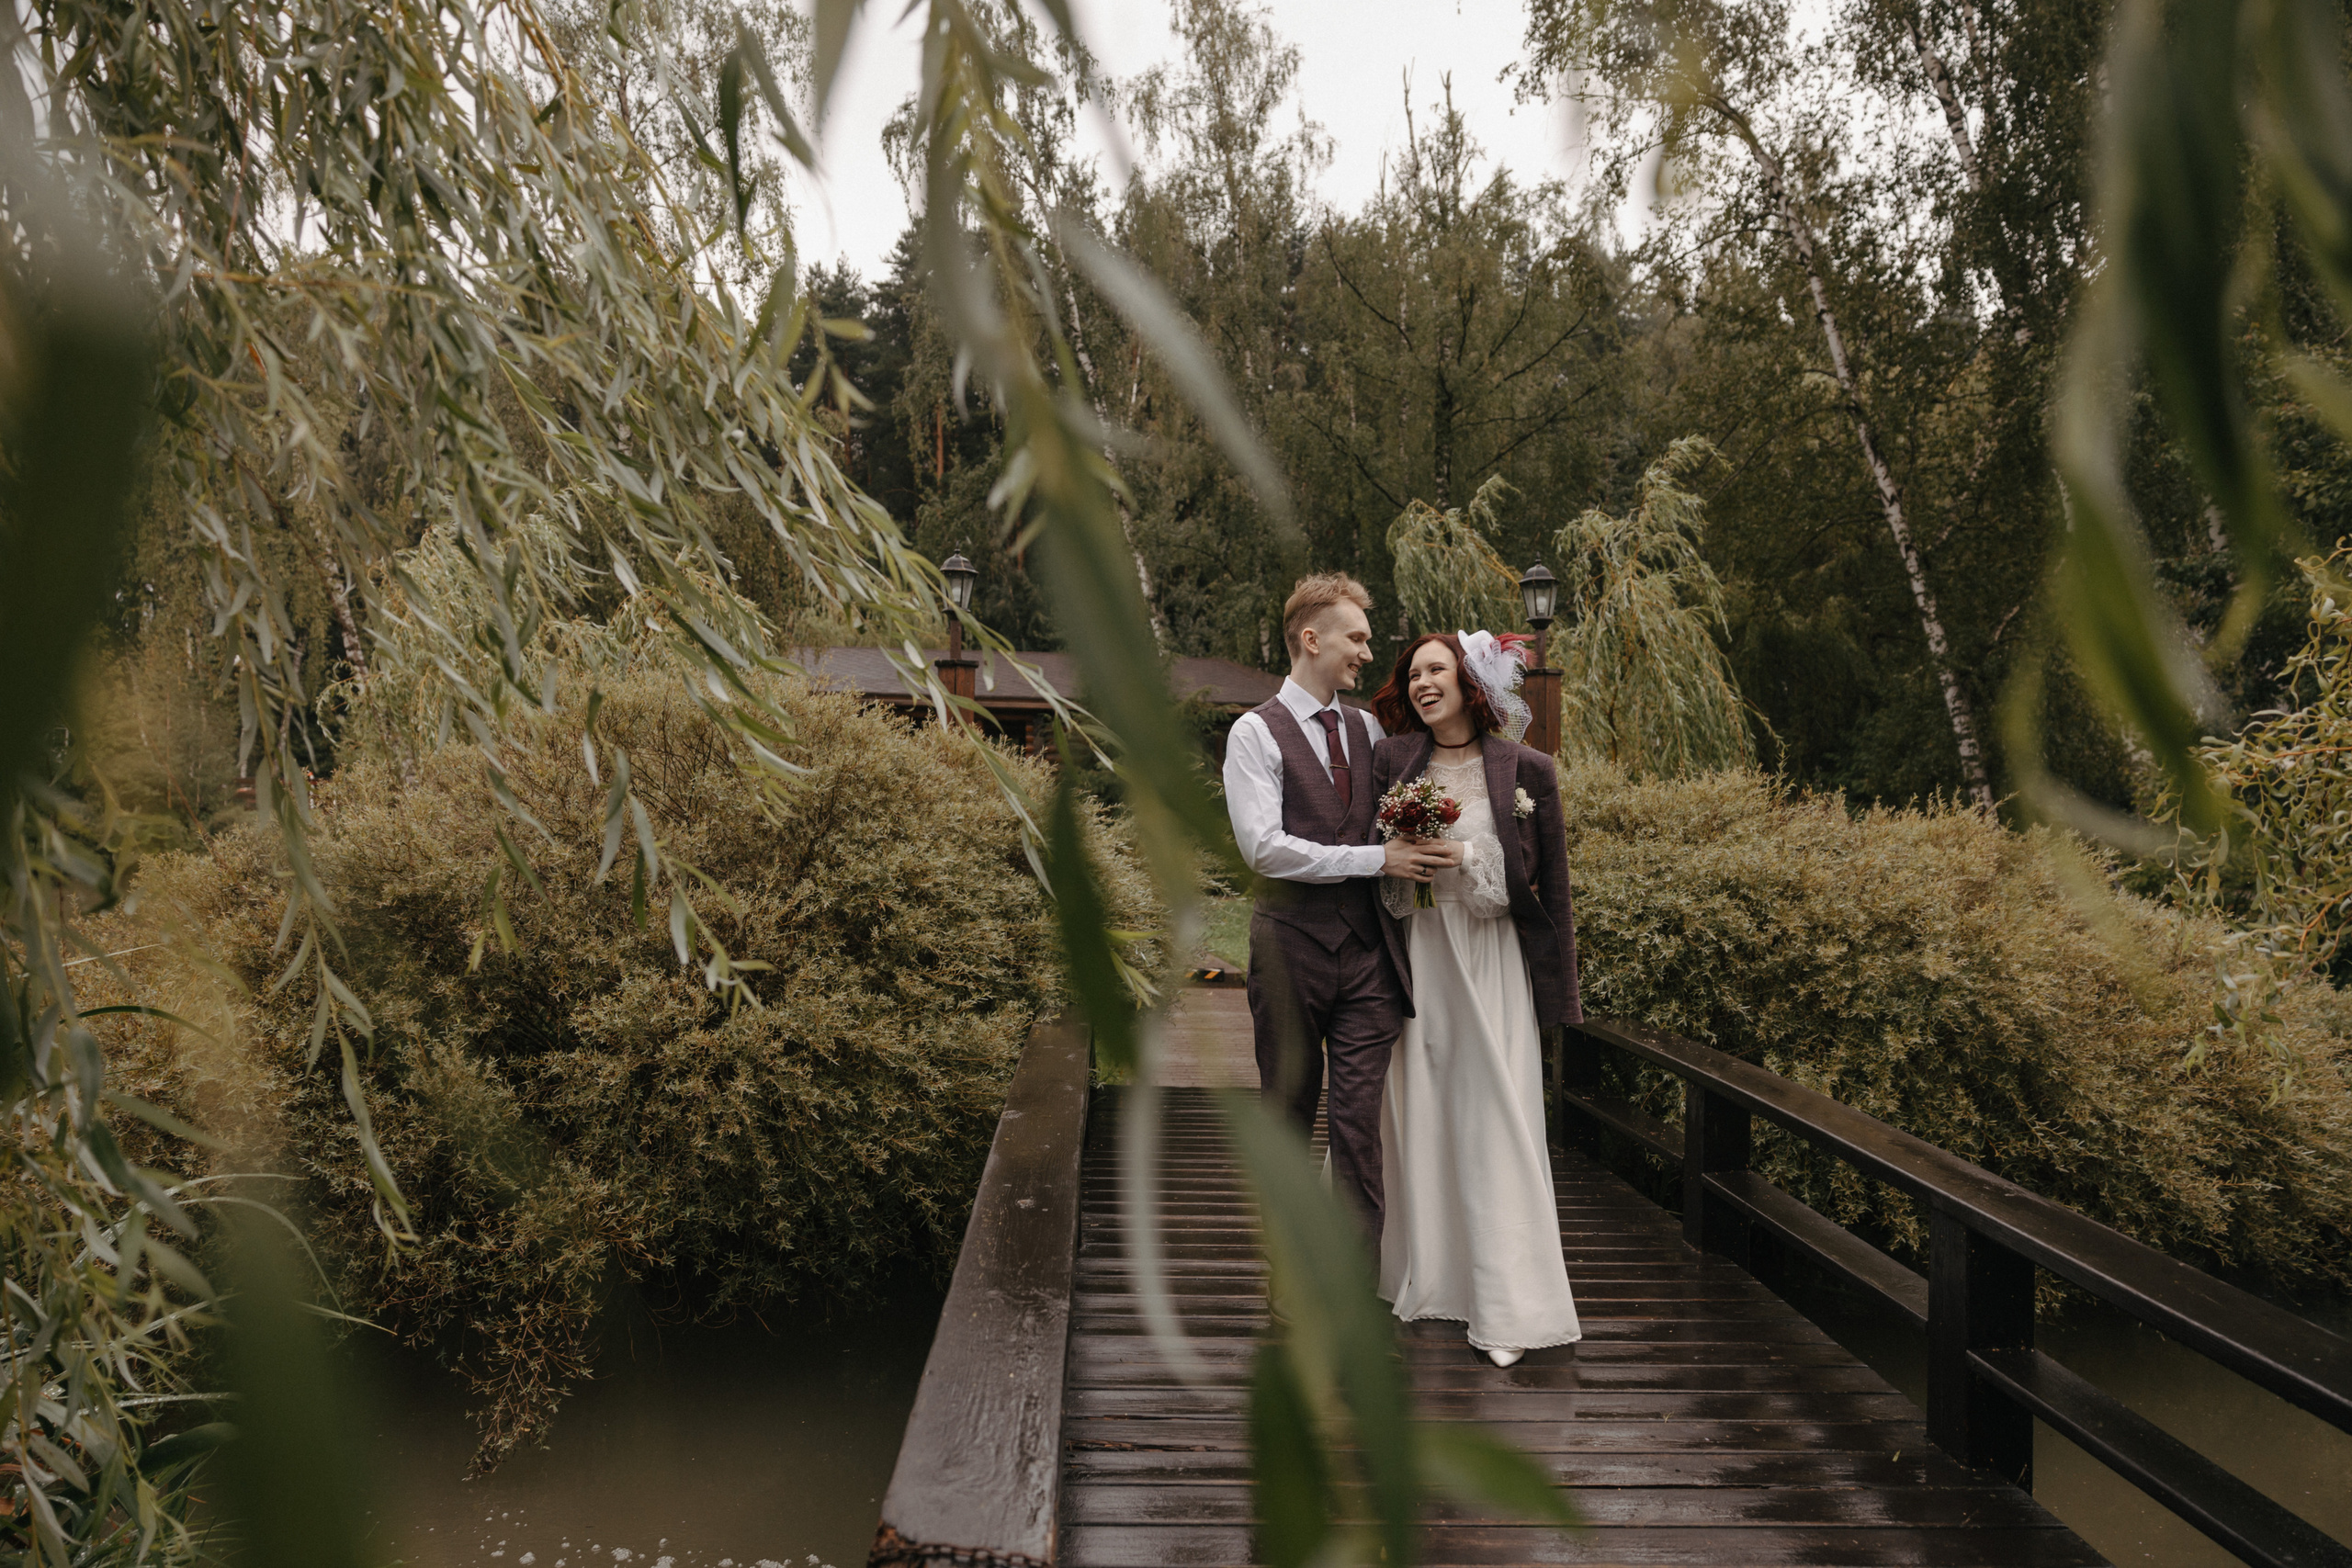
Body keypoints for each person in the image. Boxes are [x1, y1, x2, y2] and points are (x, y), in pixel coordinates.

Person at [1367, 630, 1584, 1367]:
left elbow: (1549, 886)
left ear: (1469, 682)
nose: (1423, 683)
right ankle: (1426, 1279)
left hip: (1490, 962)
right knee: (1420, 1112)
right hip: (1419, 958)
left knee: (1495, 1115)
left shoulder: (1528, 769)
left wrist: (1461, 852)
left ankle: (1507, 1303)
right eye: (1414, 673)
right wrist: (1403, 864)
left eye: (1437, 670)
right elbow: (1371, 869)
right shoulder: (1391, 760)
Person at [1223, 574, 1458, 1236]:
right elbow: (1264, 849)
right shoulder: (1254, 734)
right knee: (1288, 1117)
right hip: (1289, 952)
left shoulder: (1368, 728)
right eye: (1355, 637)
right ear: (1310, 639)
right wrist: (1376, 859)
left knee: (1360, 1131)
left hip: (1368, 961)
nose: (1365, 649)